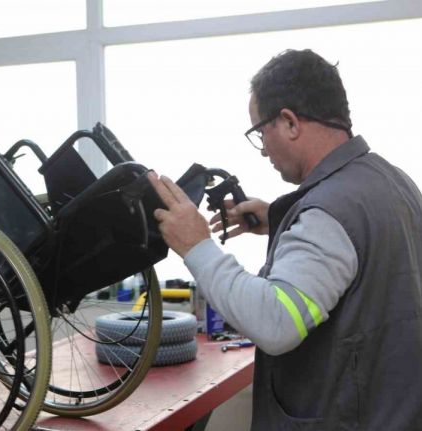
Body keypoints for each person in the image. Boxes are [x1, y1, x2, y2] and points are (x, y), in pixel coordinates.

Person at [148, 49, 422, 430]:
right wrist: (277, 218)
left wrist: (198, 247)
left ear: (290, 122)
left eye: (261, 132)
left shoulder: (328, 216)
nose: (263, 150)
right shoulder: (395, 182)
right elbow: (363, 263)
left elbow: (276, 322)